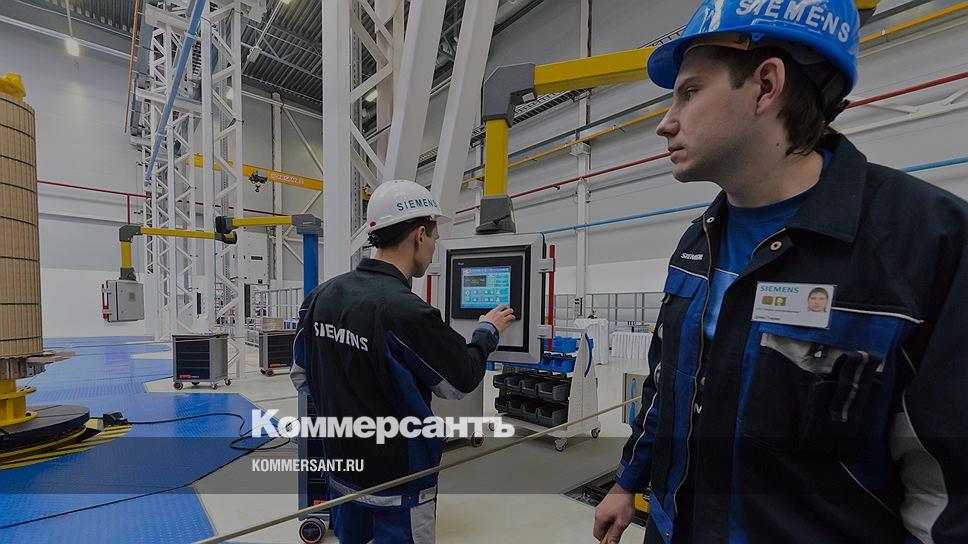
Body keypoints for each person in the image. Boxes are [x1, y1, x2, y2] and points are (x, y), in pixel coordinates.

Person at [594, 1, 968, 543]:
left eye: (690, 92)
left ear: (766, 85)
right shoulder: (699, 241)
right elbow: (666, 386)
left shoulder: (926, 246)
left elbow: (947, 491)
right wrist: (627, 481)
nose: (665, 123)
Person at [291, 179, 515, 544]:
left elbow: (301, 377)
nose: (434, 247)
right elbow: (459, 383)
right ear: (419, 235)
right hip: (400, 487)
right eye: (434, 237)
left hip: (343, 474)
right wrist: (487, 331)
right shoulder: (408, 312)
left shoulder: (321, 296)